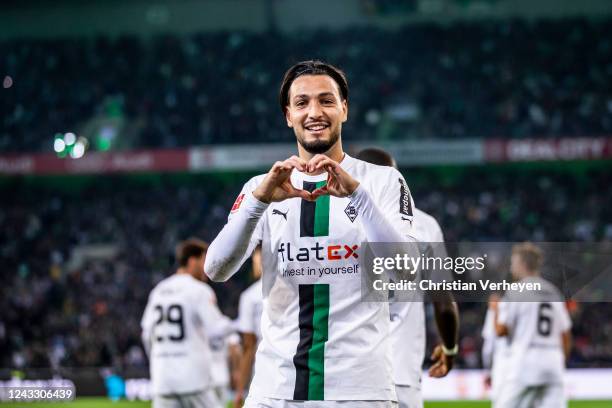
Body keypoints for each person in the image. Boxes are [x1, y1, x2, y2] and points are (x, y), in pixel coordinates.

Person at [205, 60, 418, 407]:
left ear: (344, 109)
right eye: (302, 103)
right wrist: (258, 202)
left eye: (326, 100)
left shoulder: (382, 181)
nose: (314, 112)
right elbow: (215, 269)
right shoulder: (261, 187)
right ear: (288, 115)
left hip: (359, 393)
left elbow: (407, 273)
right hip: (275, 391)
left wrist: (358, 197)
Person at [356, 147, 459, 408]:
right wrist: (449, 349)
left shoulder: (334, 220)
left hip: (349, 373)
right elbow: (444, 302)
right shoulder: (424, 224)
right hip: (401, 374)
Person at [141, 238, 233, 408]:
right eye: (204, 260)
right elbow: (216, 329)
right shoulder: (199, 290)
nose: (208, 268)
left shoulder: (158, 291)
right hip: (194, 380)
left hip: (163, 381)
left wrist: (159, 360)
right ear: (192, 260)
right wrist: (235, 325)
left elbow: (147, 335)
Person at [495, 243, 572, 408]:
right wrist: (561, 360)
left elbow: (501, 330)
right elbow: (565, 333)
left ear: (522, 264)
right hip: (553, 360)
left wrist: (495, 311)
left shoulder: (515, 291)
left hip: (526, 360)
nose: (511, 268)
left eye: (513, 263)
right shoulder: (553, 292)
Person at [235, 246, 264, 408]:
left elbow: (248, 346)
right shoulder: (297, 288)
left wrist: (239, 391)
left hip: (264, 374)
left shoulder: (250, 296)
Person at [481, 293, 509, 406]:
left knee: (500, 400)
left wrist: (488, 371)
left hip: (501, 361)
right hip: (518, 360)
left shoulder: (493, 314)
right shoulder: (513, 309)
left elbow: (488, 347)